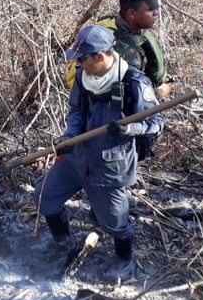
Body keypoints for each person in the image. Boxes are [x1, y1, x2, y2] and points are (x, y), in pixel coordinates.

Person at [35, 25, 164, 283]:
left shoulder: (134, 84)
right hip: (77, 157)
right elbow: (77, 112)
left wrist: (130, 128)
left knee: (115, 223)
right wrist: (70, 136)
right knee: (44, 196)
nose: (77, 63)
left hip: (110, 166)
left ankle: (124, 260)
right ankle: (62, 242)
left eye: (81, 58)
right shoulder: (84, 77)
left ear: (100, 56)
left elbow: (156, 122)